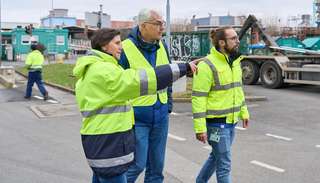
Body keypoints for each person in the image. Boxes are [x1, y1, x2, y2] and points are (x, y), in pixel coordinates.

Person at [73, 28, 197, 183]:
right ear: (104, 46)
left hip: (99, 140)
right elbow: (140, 80)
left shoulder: (94, 68)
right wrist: (182, 68)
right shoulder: (103, 70)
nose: (121, 47)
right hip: (109, 142)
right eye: (117, 43)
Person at [119, 8, 173, 183]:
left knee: (157, 169)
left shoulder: (162, 46)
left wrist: (169, 105)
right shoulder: (125, 49)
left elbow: (169, 76)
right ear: (143, 25)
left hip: (161, 117)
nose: (161, 28)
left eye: (162, 24)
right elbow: (118, 84)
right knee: (136, 165)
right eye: (157, 24)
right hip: (137, 118)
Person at [191, 27, 250, 183]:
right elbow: (198, 98)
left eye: (237, 38)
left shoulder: (235, 62)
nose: (238, 41)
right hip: (216, 124)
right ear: (222, 42)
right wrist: (200, 128)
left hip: (231, 122)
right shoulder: (206, 65)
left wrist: (244, 112)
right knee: (224, 166)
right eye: (234, 38)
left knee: (216, 157)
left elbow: (238, 90)